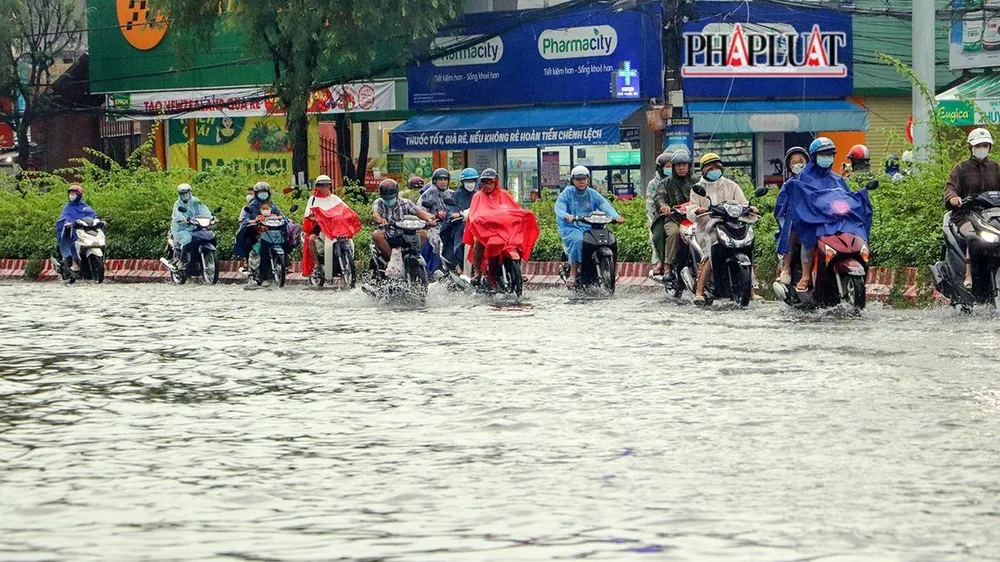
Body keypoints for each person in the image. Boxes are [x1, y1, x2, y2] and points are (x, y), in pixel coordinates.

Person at [778, 137, 873, 292]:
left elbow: (846, 196)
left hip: (834, 219)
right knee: (808, 236)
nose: (827, 157)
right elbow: (799, 199)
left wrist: (859, 197)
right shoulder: (803, 177)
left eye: (830, 154)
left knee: (856, 230)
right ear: (814, 157)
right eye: (823, 154)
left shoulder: (837, 179)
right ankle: (806, 276)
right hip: (814, 219)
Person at [688, 153, 756, 304]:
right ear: (703, 170)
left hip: (730, 225)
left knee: (746, 247)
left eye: (717, 167)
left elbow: (743, 203)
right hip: (707, 227)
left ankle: (751, 290)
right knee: (711, 248)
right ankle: (699, 291)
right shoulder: (698, 188)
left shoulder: (731, 185)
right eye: (710, 168)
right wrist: (698, 210)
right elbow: (692, 207)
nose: (714, 170)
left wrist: (751, 208)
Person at [944, 127, 1000, 289]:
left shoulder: (996, 168)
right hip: (966, 215)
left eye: (985, 145)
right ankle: (968, 274)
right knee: (973, 236)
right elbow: (950, 188)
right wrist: (953, 198)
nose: (982, 148)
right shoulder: (960, 169)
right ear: (971, 147)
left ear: (990, 147)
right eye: (978, 145)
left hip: (992, 216)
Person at [463, 168, 539, 284]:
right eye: (484, 182)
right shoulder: (478, 196)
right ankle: (478, 273)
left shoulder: (504, 194)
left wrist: (524, 214)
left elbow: (514, 209)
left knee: (516, 242)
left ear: (496, 182)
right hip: (486, 231)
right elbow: (474, 213)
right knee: (478, 242)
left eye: (490, 182)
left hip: (503, 231)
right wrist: (480, 220)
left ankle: (517, 269)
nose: (487, 185)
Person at [555, 166, 624, 287]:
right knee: (579, 241)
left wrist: (615, 216)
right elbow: (559, 208)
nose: (581, 181)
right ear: (572, 180)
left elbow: (604, 205)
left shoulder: (592, 194)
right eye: (578, 179)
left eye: (584, 179)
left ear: (588, 179)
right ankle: (573, 274)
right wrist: (567, 215)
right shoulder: (566, 194)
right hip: (572, 227)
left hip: (590, 226)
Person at [301, 175, 361, 277]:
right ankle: (317, 265)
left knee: (348, 240)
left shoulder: (335, 198)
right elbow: (307, 214)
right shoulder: (313, 199)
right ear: (317, 187)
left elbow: (346, 210)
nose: (325, 188)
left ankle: (347, 260)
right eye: (322, 186)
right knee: (311, 239)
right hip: (320, 226)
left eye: (327, 186)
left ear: (330, 186)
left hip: (336, 227)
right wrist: (316, 218)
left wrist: (352, 216)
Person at [649, 151, 694, 279]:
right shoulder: (665, 183)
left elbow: (705, 195)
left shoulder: (696, 181)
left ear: (689, 166)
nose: (681, 168)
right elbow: (659, 197)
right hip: (673, 219)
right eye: (678, 165)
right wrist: (664, 206)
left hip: (693, 219)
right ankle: (667, 266)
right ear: (674, 167)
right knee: (673, 233)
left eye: (684, 165)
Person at [371, 178, 437, 264]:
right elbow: (375, 214)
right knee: (376, 235)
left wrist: (430, 219)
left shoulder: (406, 203)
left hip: (405, 234)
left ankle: (414, 255)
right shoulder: (379, 203)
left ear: (396, 194)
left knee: (423, 233)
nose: (388, 200)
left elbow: (421, 213)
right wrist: (380, 219)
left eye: (390, 197)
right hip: (388, 234)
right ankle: (393, 261)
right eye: (386, 198)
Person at [775, 147, 809, 284]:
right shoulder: (788, 185)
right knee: (791, 230)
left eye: (800, 161)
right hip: (798, 223)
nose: (798, 165)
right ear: (789, 167)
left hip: (818, 220)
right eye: (793, 163)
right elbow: (779, 208)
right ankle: (787, 267)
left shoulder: (816, 181)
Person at [440, 168, 478, 274]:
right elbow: (450, 210)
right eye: (468, 181)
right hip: (461, 227)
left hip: (478, 227)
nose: (471, 184)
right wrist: (455, 214)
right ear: (462, 182)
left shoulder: (479, 195)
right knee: (460, 244)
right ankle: (462, 268)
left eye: (473, 181)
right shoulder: (455, 196)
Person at [417, 168, 453, 275]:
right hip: (433, 226)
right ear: (434, 181)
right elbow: (419, 212)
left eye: (445, 179)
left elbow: (460, 209)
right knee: (436, 241)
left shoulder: (452, 194)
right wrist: (433, 218)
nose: (443, 182)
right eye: (440, 179)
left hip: (451, 226)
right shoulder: (427, 195)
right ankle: (434, 268)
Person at [56, 184, 98, 274]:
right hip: (74, 231)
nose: (71, 195)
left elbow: (92, 215)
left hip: (85, 230)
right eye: (70, 193)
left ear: (79, 194)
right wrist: (66, 223)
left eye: (73, 193)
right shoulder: (68, 207)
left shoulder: (84, 206)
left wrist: (98, 221)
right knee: (73, 241)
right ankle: (75, 262)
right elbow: (64, 217)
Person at [170, 183, 211, 267]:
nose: (185, 195)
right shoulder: (178, 204)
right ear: (179, 195)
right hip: (182, 228)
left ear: (190, 192)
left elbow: (204, 210)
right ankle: (182, 261)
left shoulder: (196, 201)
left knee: (207, 235)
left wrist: (211, 218)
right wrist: (181, 219)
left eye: (186, 193)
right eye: (182, 193)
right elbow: (176, 214)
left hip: (196, 226)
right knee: (188, 239)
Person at [645, 150, 674, 267]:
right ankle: (660, 262)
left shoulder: (678, 181)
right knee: (657, 236)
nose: (670, 169)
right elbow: (650, 203)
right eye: (667, 167)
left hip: (678, 214)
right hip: (659, 216)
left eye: (672, 166)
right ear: (660, 168)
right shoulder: (653, 184)